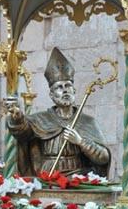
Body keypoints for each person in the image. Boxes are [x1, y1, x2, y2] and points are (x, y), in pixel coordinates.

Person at [6, 47, 110, 177]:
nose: (65, 90)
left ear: (74, 91)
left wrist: (80, 141)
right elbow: (22, 132)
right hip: (47, 176)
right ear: (52, 94)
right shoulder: (40, 119)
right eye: (59, 87)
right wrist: (17, 117)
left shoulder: (87, 122)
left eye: (68, 86)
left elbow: (104, 157)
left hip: (78, 177)